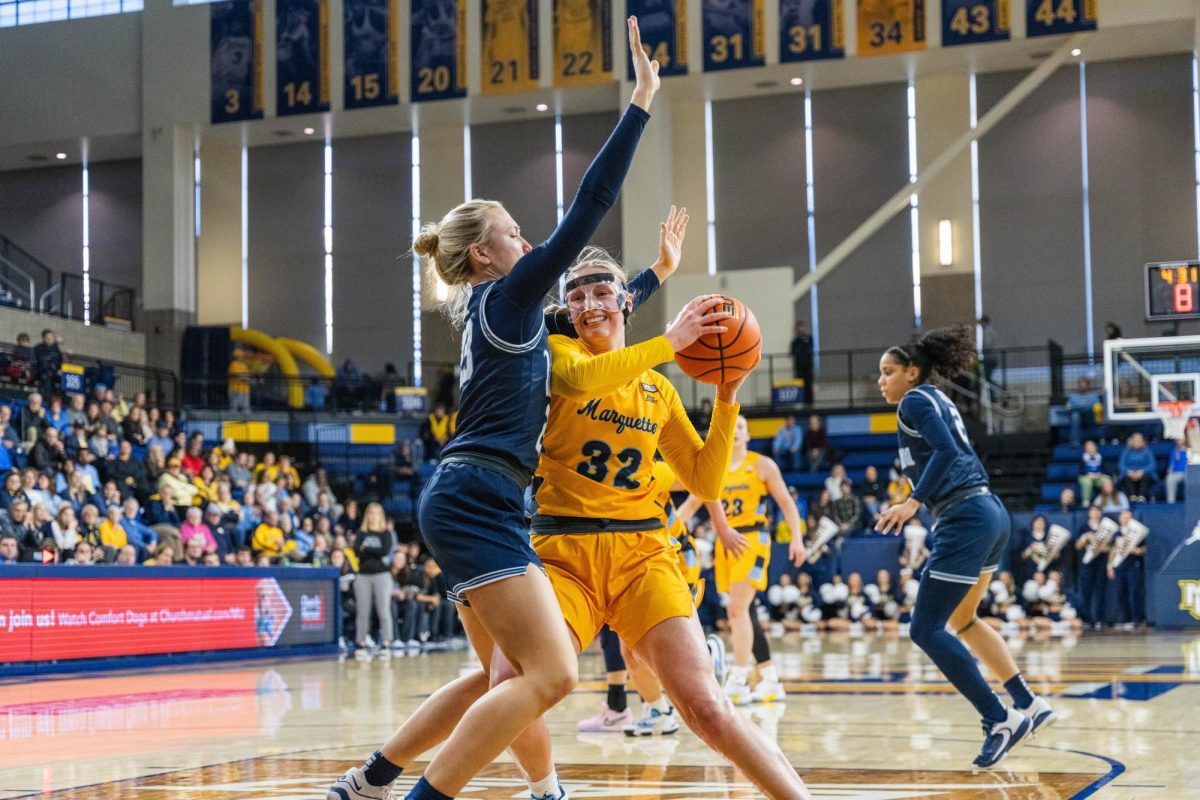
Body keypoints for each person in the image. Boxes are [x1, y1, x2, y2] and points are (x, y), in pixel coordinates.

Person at [328, 23, 663, 800]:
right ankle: (421, 796)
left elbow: (590, 315)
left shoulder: (501, 313)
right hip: (479, 496)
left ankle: (371, 779)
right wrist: (640, 103)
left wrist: (647, 282)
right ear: (485, 254)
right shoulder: (508, 295)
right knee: (548, 675)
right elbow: (592, 204)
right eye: (515, 233)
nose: (529, 240)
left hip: (467, 492)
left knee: (498, 672)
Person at [507, 251, 809, 795]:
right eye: (576, 297)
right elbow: (581, 382)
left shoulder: (658, 388)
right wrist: (671, 340)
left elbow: (705, 481)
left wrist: (726, 395)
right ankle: (546, 789)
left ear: (625, 302)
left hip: (643, 555)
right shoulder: (557, 354)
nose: (588, 305)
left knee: (708, 709)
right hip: (562, 554)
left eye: (600, 294)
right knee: (512, 683)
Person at [873, 326, 1054, 769]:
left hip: (965, 517)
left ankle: (998, 719)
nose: (881, 380)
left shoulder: (916, 401)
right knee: (963, 619)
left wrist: (914, 500)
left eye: (889, 371)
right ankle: (1026, 702)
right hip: (988, 511)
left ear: (913, 372)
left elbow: (948, 449)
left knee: (925, 628)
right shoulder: (938, 398)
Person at [678, 415, 805, 707]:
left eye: (741, 428)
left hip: (753, 540)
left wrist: (797, 539)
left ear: (749, 435)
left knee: (736, 608)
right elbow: (691, 505)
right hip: (726, 543)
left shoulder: (762, 464)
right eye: (730, 427)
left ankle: (738, 678)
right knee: (744, 611)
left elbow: (787, 504)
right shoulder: (715, 468)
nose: (735, 431)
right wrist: (669, 530)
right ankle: (770, 679)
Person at [353, 501, 397, 658]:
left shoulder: (386, 533)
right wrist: (372, 551)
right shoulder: (361, 533)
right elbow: (357, 552)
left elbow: (385, 551)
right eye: (371, 513)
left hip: (382, 575)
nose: (373, 516)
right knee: (362, 611)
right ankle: (361, 643)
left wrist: (367, 549)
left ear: (381, 516)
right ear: (367, 515)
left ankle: (386, 642)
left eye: (377, 513)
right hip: (362, 575)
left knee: (383, 610)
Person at [1117, 432, 1157, 503]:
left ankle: (1142, 497)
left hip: (1145, 473)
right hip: (1129, 473)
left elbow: (1152, 464)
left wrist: (1142, 471)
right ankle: (1132, 497)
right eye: (1135, 441)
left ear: (1143, 441)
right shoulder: (1126, 451)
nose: (1137, 443)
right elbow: (1121, 464)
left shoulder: (1148, 451)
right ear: (1131, 441)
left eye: (1139, 441)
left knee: (1146, 476)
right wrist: (1129, 471)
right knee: (1126, 477)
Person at [789, 321, 814, 405]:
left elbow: (811, 349)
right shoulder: (795, 341)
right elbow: (792, 352)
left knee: (808, 385)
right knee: (800, 385)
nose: (800, 329)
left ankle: (810, 402)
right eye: (799, 327)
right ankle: (800, 402)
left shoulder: (809, 339)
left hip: (808, 367)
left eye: (802, 327)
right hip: (799, 368)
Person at [1077, 440, 1105, 505]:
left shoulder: (1100, 457)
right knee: (1087, 482)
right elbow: (1081, 470)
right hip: (1085, 476)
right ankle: (1086, 501)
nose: (1091, 449)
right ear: (1085, 449)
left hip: (1098, 475)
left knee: (1106, 480)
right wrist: (1090, 474)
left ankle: (1106, 500)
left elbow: (1104, 469)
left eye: (1092, 447)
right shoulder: (1083, 457)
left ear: (1096, 447)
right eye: (1088, 448)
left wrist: (1098, 474)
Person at [1166, 438, 1189, 503]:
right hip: (1178, 473)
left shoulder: (1191, 450)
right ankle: (1171, 502)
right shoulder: (1174, 451)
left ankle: (1189, 500)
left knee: (1189, 478)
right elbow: (1171, 464)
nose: (1180, 442)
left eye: (1181, 440)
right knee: (1169, 479)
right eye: (1178, 440)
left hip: (1189, 472)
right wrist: (1170, 470)